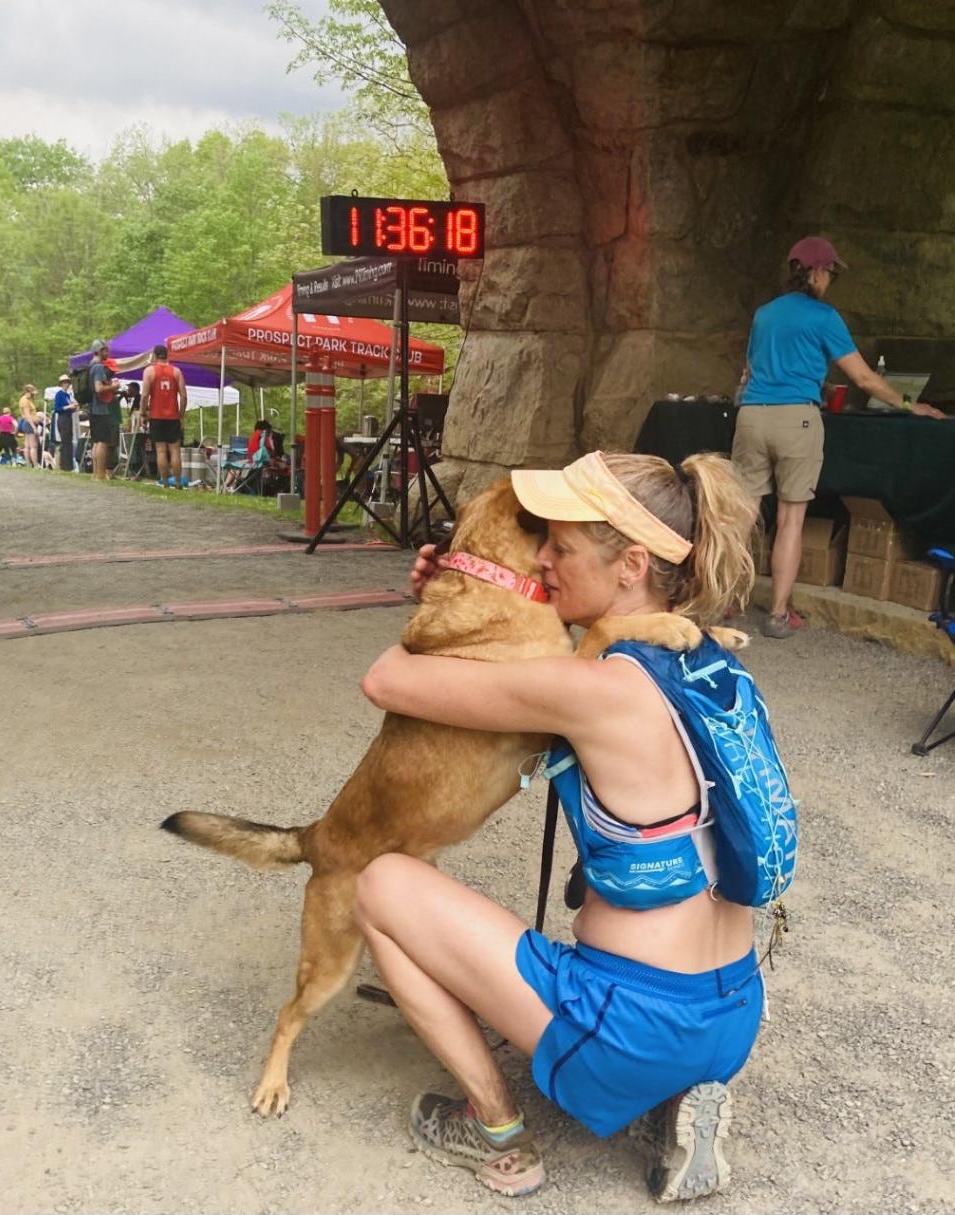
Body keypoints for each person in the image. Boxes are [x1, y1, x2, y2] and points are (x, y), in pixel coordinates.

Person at [356, 451, 767, 1202]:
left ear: (629, 564)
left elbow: (387, 678)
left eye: (562, 547)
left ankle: (497, 1130)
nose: (541, 559)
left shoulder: (591, 688)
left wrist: (449, 590)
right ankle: (681, 1093)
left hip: (631, 1022)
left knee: (379, 882)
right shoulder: (708, 659)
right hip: (735, 1009)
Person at [732, 235, 948, 640]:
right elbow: (864, 377)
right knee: (789, 518)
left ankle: (723, 598)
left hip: (751, 417)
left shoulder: (763, 314)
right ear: (815, 272)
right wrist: (908, 404)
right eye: (830, 272)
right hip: (796, 419)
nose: (830, 280)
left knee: (742, 515)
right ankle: (778, 614)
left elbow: (752, 367)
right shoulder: (823, 317)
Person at [141, 344, 187, 487]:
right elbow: (184, 396)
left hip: (156, 415)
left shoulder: (149, 371)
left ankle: (165, 482)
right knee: (175, 450)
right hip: (173, 416)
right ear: (167, 355)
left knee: (160, 450)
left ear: (155, 356)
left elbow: (144, 396)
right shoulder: (176, 371)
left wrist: (143, 412)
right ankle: (178, 482)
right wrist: (181, 413)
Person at [88, 339, 120, 482]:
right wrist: (114, 387)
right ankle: (101, 475)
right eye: (106, 350)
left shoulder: (90, 366)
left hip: (92, 408)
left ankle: (95, 474)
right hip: (100, 409)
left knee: (96, 442)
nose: (108, 353)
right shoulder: (99, 367)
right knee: (102, 442)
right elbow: (98, 388)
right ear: (99, 351)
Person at [224, 417, 273, 491]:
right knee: (236, 466)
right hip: (255, 461)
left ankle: (228, 485)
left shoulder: (255, 435)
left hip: (250, 459)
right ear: (266, 429)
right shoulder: (263, 436)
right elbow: (266, 451)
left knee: (235, 466)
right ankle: (232, 486)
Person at [53, 374, 77, 471]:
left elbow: (71, 408)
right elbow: (57, 409)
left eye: (67, 383)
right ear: (61, 384)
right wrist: (68, 407)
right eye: (64, 383)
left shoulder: (68, 395)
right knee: (65, 441)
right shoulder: (59, 394)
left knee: (69, 441)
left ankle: (69, 465)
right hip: (62, 419)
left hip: (68, 418)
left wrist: (74, 407)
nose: (66, 384)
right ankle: (64, 465)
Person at [17, 384, 39, 468]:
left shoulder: (28, 400)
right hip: (29, 424)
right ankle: (35, 465)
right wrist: (33, 426)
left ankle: (29, 464)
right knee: (33, 446)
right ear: (28, 392)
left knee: (27, 445)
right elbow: (27, 415)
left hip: (28, 424)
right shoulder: (24, 400)